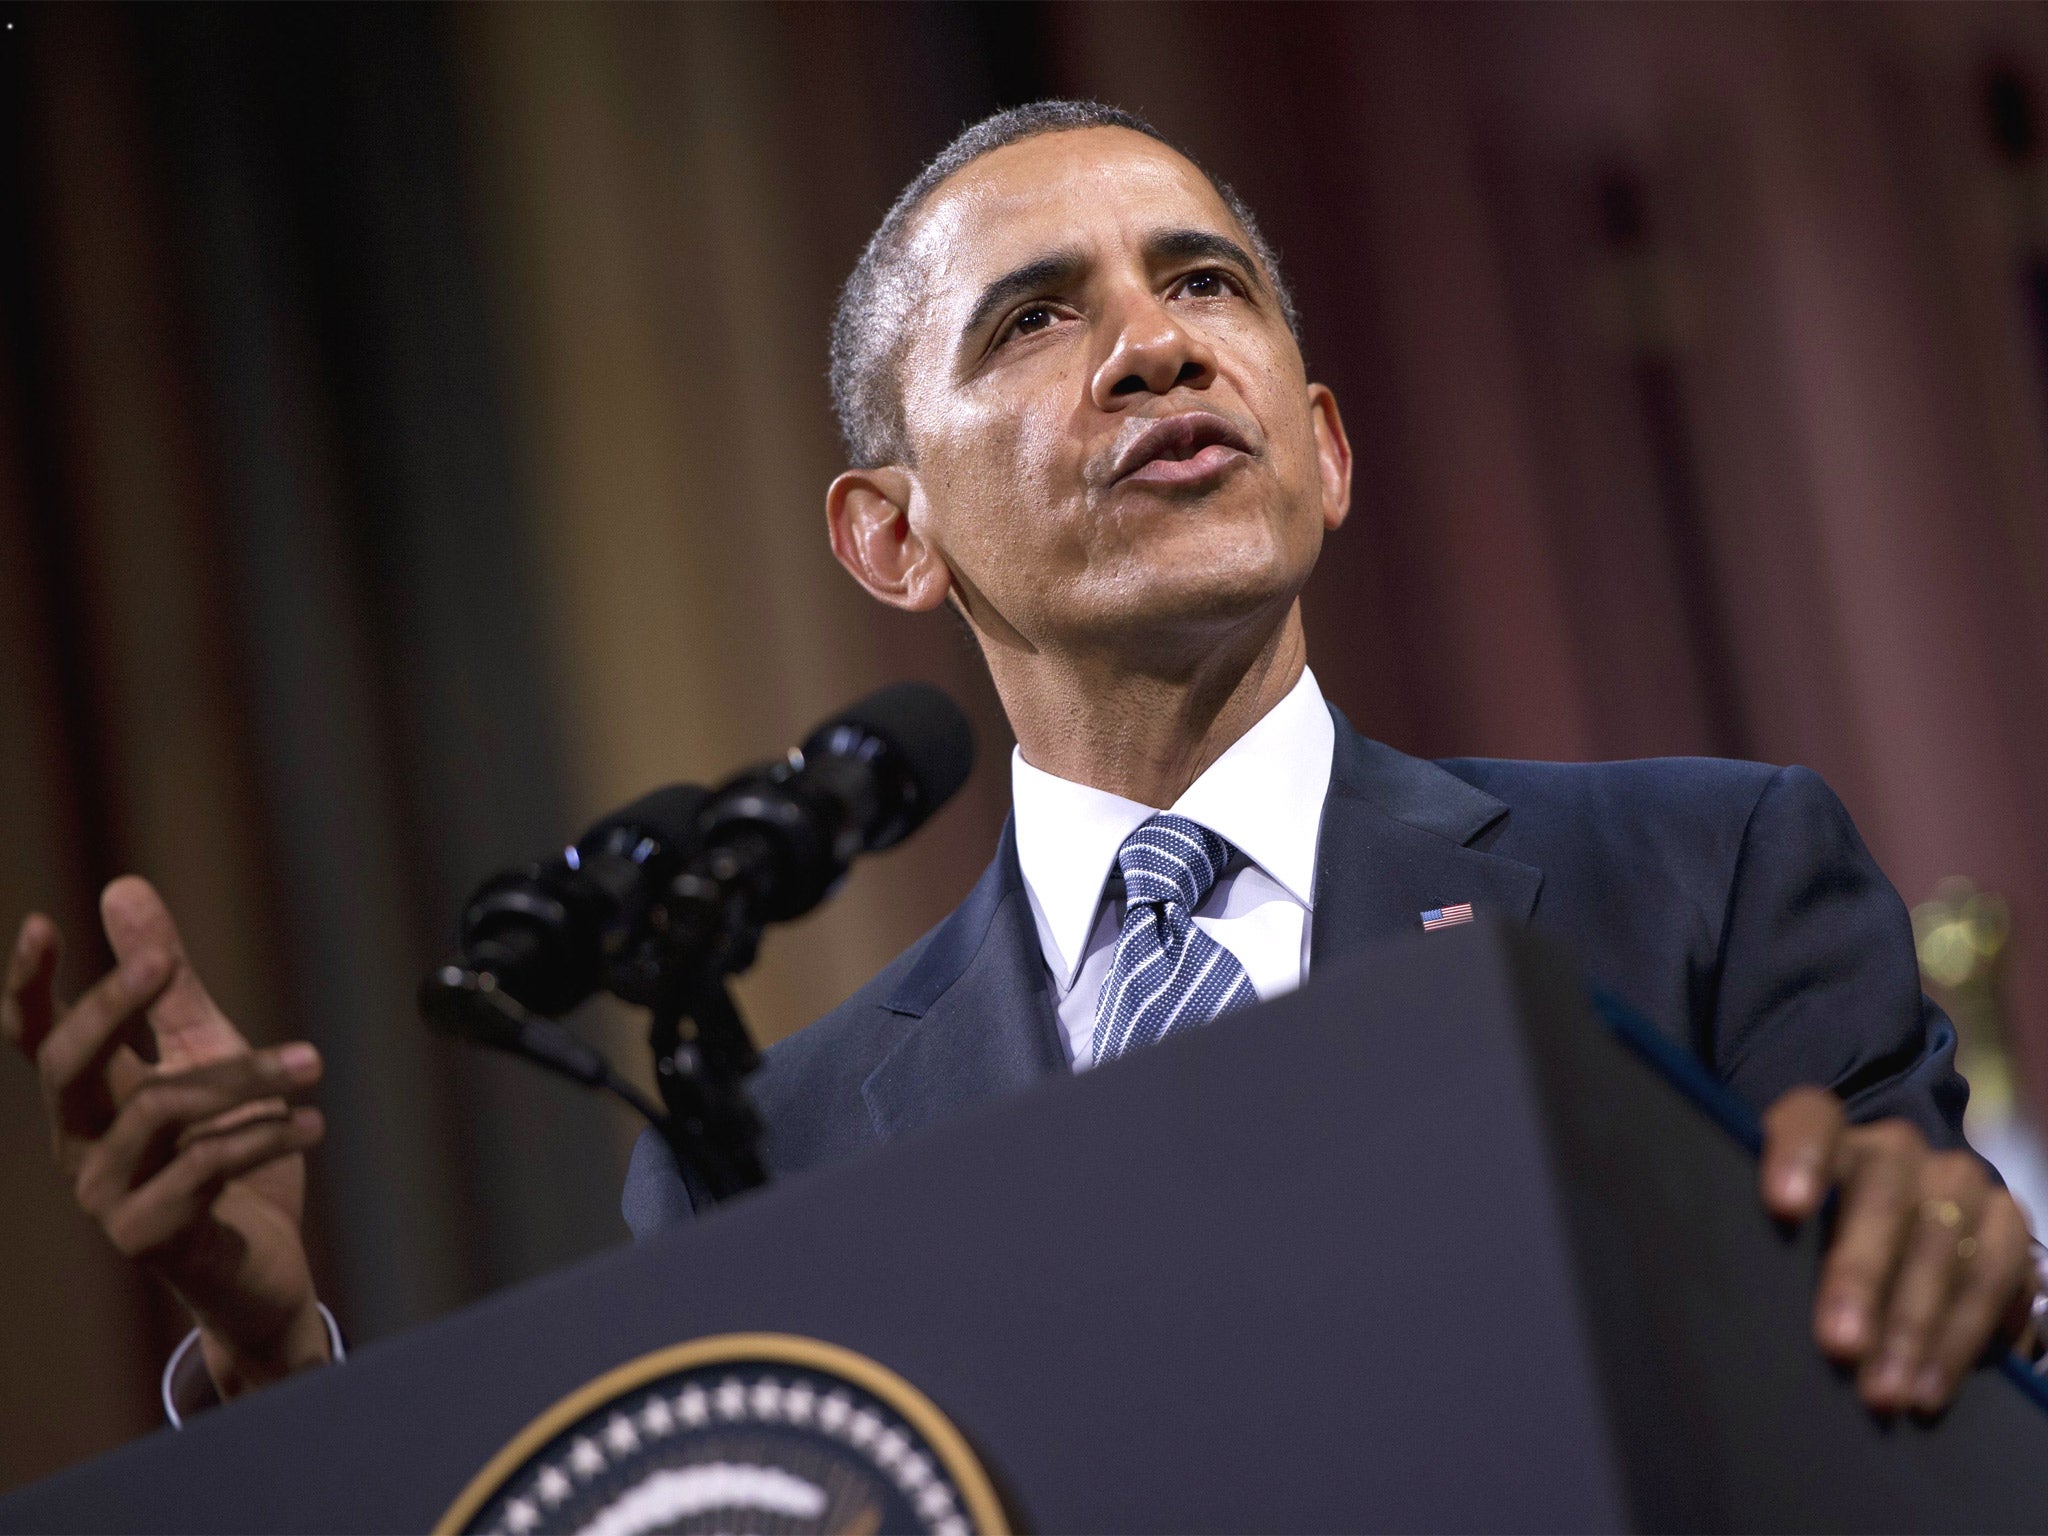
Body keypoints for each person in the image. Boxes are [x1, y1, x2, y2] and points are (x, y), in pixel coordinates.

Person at [5, 101, 2039, 1430]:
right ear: (888, 536)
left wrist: (1956, 1256)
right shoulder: (763, 1147)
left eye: (1205, 285)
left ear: (1321, 446)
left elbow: (1924, 1305)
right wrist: (274, 1361)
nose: (1155, 346)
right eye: (1038, 320)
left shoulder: (1707, 869)